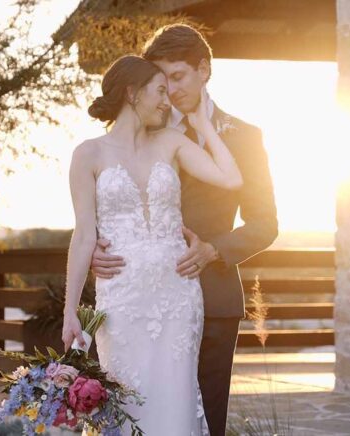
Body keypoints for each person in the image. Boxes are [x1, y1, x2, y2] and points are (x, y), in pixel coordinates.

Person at [90, 24, 279, 435]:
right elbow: (103, 197)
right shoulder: (139, 130)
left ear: (204, 69)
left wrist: (213, 249)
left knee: (206, 421)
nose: (171, 90)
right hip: (138, 304)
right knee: (133, 413)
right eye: (161, 81)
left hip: (212, 298)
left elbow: (265, 224)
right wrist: (95, 248)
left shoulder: (245, 137)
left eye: (178, 77)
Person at [61, 54, 242, 435]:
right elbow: (83, 236)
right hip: (122, 300)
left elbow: (230, 179)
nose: (167, 99)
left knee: (175, 401)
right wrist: (70, 311)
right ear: (132, 92)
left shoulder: (172, 142)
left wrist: (204, 126)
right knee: (125, 401)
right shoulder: (88, 154)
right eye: (160, 90)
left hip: (177, 296)